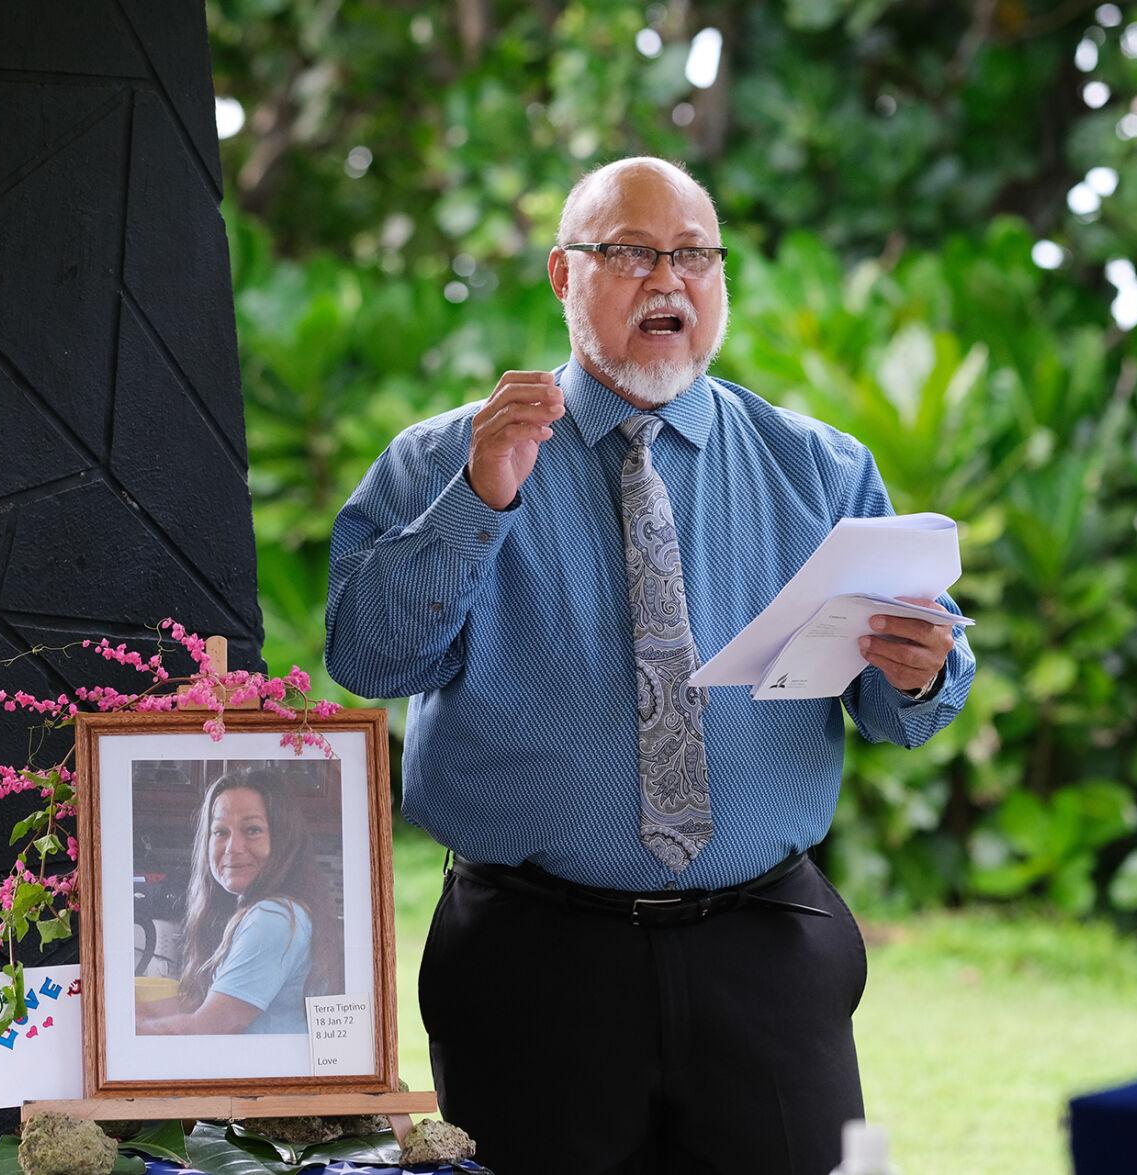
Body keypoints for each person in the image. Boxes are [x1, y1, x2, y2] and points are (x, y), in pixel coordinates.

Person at [325, 157, 976, 1173]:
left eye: (692, 255)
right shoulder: (442, 457)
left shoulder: (822, 467)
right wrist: (477, 501)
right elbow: (369, 657)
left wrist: (920, 673)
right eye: (629, 253)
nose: (667, 279)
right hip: (530, 958)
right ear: (560, 275)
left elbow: (905, 711)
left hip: (761, 945)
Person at [137, 769, 334, 1036]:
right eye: (220, 832)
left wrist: (122, 1034)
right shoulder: (271, 911)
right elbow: (198, 1004)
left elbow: (206, 1028)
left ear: (282, 840)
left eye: (252, 830)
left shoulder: (272, 918)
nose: (232, 847)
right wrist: (128, 1009)